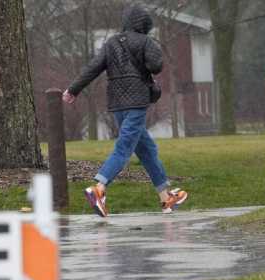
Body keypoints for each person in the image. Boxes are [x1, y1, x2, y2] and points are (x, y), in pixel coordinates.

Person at [62, 4, 187, 217]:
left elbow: (92, 67)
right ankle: (98, 188)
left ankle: (166, 198)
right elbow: (156, 66)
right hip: (137, 102)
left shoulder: (110, 43)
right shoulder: (147, 41)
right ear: (144, 25)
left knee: (147, 150)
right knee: (124, 148)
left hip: (117, 105)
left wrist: (73, 90)